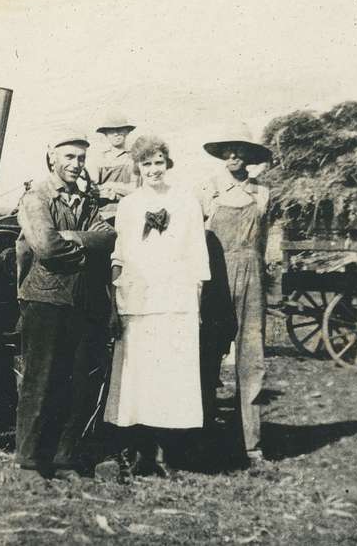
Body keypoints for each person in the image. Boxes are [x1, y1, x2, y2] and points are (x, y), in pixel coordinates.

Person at [103, 136, 210, 477]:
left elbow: (197, 253)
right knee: (139, 377)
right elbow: (119, 253)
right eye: (146, 163)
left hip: (175, 301)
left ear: (168, 163)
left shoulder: (186, 202)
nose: (153, 169)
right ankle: (139, 452)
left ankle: (167, 455)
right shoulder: (130, 205)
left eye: (159, 162)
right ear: (137, 167)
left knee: (170, 377)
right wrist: (117, 297)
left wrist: (195, 300)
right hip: (138, 300)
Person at [15, 129, 116, 479]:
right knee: (41, 381)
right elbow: (45, 245)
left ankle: (63, 458)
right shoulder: (36, 198)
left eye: (81, 158)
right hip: (45, 299)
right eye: (69, 157)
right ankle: (30, 462)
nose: (76, 164)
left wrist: (73, 237)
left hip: (82, 301)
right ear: (52, 158)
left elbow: (108, 235)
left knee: (77, 382)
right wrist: (85, 251)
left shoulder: (84, 200)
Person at [198, 126, 272, 467]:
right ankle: (202, 435)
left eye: (239, 151)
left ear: (250, 157)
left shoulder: (263, 193)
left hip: (252, 277)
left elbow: (266, 240)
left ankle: (250, 444)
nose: (233, 157)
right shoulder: (208, 191)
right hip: (215, 277)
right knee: (208, 355)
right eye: (227, 150)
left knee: (251, 358)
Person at [91, 112, 139, 221]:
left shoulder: (134, 159)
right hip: (103, 214)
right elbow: (93, 189)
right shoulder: (99, 159)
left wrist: (112, 193)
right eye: (111, 131)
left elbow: (135, 190)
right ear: (106, 134)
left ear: (127, 131)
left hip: (129, 213)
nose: (116, 134)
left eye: (120, 129)